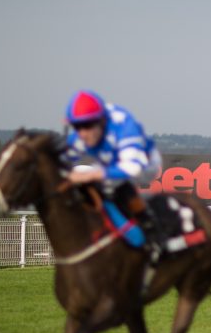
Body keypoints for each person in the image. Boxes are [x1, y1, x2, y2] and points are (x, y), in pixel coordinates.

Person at [64, 90, 164, 256]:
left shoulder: (124, 126)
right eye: (77, 127)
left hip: (145, 163)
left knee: (105, 182)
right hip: (110, 161)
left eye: (87, 126)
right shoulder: (82, 135)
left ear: (101, 121)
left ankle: (150, 231)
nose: (82, 133)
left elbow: (133, 168)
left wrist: (91, 175)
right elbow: (63, 161)